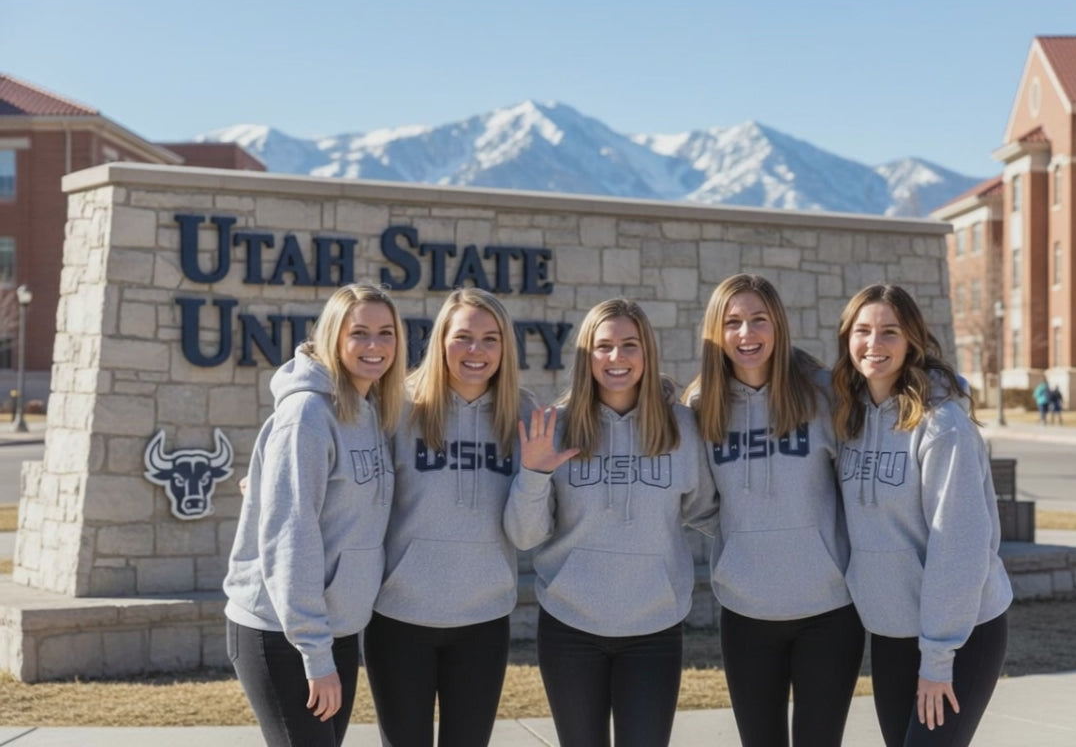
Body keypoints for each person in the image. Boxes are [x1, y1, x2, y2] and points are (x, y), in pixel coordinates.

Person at [505, 298, 718, 747]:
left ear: (647, 352)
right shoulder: (555, 428)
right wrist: (535, 473)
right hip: (569, 628)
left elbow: (706, 510)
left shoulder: (683, 428)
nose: (616, 358)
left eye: (629, 345)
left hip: (654, 630)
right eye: (603, 346)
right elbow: (525, 535)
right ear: (586, 355)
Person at [683, 274, 863, 747]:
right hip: (746, 612)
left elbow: (857, 488)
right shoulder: (703, 406)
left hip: (829, 612)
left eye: (758, 320)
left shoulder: (824, 392)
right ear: (716, 334)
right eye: (734, 322)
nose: (747, 334)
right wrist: (744, 540)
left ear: (778, 325)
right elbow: (698, 501)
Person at [223, 282, 406, 747]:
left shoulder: (370, 410)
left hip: (335, 628)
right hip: (281, 631)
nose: (374, 345)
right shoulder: (307, 413)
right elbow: (291, 536)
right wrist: (314, 653)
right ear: (333, 337)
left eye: (386, 333)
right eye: (358, 332)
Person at [832, 284, 1013, 747]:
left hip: (960, 634)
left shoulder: (942, 425)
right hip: (893, 631)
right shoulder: (849, 417)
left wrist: (937, 659)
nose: (875, 344)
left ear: (912, 340)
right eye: (863, 331)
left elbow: (959, 547)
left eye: (889, 332)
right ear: (847, 338)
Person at [364, 288, 531, 747]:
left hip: (483, 619)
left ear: (505, 347)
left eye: (490, 338)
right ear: (441, 341)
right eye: (463, 337)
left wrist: (535, 473)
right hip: (398, 618)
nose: (476, 350)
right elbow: (342, 466)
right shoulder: (396, 405)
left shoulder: (525, 415)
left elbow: (528, 532)